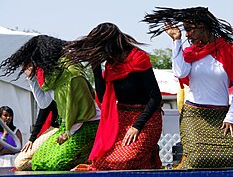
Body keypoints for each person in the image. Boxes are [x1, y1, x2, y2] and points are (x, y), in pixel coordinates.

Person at [143, 7, 233, 169]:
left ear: (203, 25)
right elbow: (179, 72)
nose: (187, 35)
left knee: (230, 158)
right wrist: (176, 41)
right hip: (194, 115)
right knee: (198, 159)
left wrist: (231, 117)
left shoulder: (228, 50)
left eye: (189, 29)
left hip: (221, 116)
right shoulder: (191, 52)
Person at [65, 22, 162, 171]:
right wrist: (96, 68)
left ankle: (150, 156)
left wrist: (137, 126)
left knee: (123, 162)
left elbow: (155, 97)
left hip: (146, 119)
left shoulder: (139, 58)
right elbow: (103, 99)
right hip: (122, 119)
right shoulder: (111, 65)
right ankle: (149, 158)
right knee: (102, 162)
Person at [0, 35, 100, 171]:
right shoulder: (53, 74)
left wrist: (68, 133)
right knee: (33, 161)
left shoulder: (72, 74)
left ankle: (86, 157)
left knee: (55, 164)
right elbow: (44, 104)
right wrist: (31, 79)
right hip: (66, 126)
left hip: (87, 124)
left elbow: (84, 109)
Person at [14, 60, 60, 170]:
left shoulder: (58, 81)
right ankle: (44, 162)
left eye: (29, 65)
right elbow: (43, 108)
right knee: (20, 162)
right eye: (25, 67)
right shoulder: (44, 84)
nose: (27, 68)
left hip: (65, 129)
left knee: (20, 162)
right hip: (56, 128)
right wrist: (31, 138)